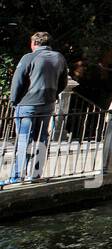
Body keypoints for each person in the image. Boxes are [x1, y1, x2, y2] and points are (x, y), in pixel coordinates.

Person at [6, 31, 68, 184]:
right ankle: (35, 174)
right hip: (48, 103)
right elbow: (63, 82)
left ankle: (17, 176)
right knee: (42, 139)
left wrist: (13, 101)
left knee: (23, 140)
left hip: (27, 104)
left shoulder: (29, 57)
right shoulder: (59, 57)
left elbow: (18, 81)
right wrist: (53, 95)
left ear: (34, 43)